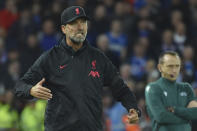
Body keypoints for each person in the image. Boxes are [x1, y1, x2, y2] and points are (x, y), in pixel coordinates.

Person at [15, 6, 141, 131]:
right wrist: (30, 90)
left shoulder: (98, 58)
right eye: (74, 23)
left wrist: (133, 108)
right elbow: (20, 85)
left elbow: (120, 88)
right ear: (64, 29)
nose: (80, 27)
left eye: (83, 22)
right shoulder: (50, 58)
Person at [145, 51, 197, 131]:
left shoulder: (186, 88)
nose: (174, 70)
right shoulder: (153, 88)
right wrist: (186, 117)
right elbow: (161, 116)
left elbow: (195, 113)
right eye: (170, 66)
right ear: (160, 68)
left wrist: (176, 110)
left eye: (177, 66)